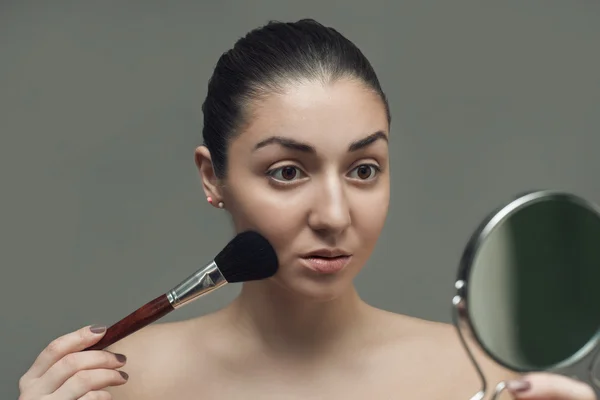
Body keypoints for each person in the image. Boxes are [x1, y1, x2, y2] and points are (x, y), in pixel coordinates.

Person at [18, 19, 596, 400]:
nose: (334, 214)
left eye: (363, 169)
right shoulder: (116, 384)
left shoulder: (486, 381)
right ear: (212, 176)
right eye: (288, 172)